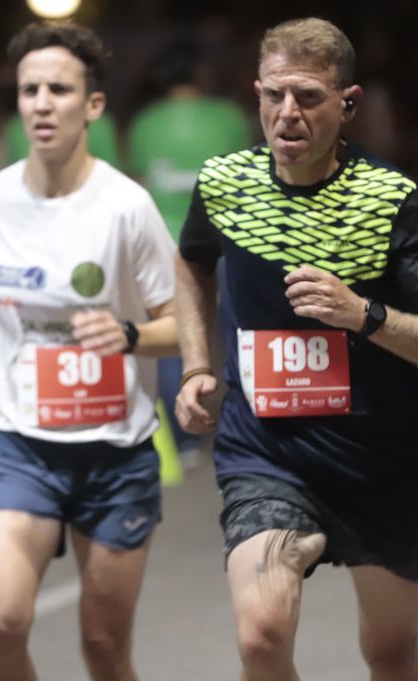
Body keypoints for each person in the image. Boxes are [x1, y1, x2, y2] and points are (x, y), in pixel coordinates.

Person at [175, 17, 418, 681]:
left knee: (390, 653)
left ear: (348, 103)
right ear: (255, 94)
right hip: (267, 452)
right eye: (274, 96)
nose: (288, 114)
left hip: (380, 461)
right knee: (261, 636)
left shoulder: (393, 200)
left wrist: (364, 315)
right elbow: (191, 261)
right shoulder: (225, 185)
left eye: (309, 97)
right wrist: (198, 364)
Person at [0, 21, 177, 681]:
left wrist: (128, 336)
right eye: (29, 90)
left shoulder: (127, 208)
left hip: (116, 456)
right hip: (21, 446)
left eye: (59, 89)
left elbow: (182, 325)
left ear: (93, 106)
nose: (42, 103)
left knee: (104, 648)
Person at [125, 33, 252, 466]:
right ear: (202, 72)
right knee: (241, 336)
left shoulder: (145, 123)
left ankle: (182, 440)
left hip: (167, 249)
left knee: (172, 339)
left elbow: (140, 181)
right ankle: (250, 428)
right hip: (228, 242)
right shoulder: (229, 117)